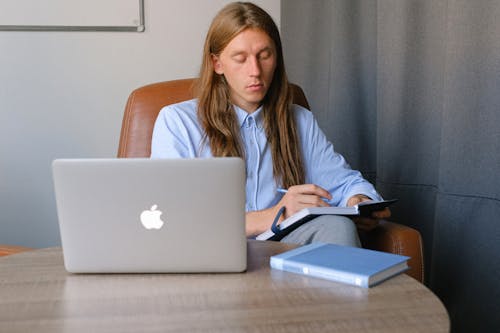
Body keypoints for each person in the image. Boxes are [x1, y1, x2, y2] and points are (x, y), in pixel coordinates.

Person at [151, 1, 390, 247]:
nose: (255, 70)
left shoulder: (299, 121)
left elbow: (344, 182)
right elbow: (173, 218)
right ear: (217, 64)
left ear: (276, 58)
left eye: (264, 55)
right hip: (212, 249)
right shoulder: (177, 122)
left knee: (337, 225)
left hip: (283, 250)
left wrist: (358, 201)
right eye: (240, 59)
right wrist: (279, 213)